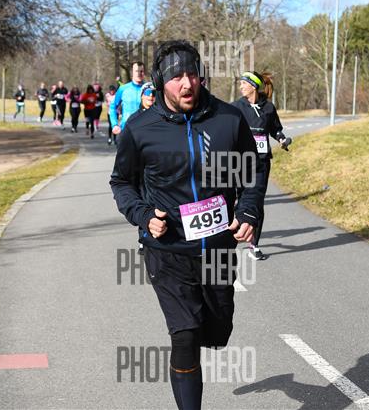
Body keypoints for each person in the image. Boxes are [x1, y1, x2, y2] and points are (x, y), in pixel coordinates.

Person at [110, 40, 265, 410]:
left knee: (217, 328)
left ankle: (212, 326)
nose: (186, 83)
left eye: (192, 74)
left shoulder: (228, 119)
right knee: (185, 335)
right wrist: (144, 215)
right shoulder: (140, 128)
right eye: (176, 77)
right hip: (168, 250)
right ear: (160, 81)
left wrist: (247, 211)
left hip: (218, 249)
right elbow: (122, 183)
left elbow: (253, 170)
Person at [232, 71, 292, 261]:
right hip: (241, 161)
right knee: (240, 199)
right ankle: (236, 230)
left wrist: (282, 140)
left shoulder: (268, 108)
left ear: (253, 86)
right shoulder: (236, 107)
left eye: (244, 83)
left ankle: (254, 245)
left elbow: (275, 129)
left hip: (261, 162)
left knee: (257, 202)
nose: (241, 87)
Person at [133, 81, 156, 255]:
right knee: (143, 201)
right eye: (147, 93)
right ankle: (144, 236)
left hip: (158, 167)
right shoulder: (135, 119)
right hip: (140, 168)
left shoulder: (162, 116)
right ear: (141, 96)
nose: (151, 97)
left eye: (154, 94)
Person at [109, 61, 146, 136]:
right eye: (136, 71)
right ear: (132, 72)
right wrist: (114, 124)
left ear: (144, 73)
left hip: (144, 131)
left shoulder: (149, 89)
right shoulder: (123, 89)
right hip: (126, 131)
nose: (139, 73)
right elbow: (112, 107)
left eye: (141, 71)